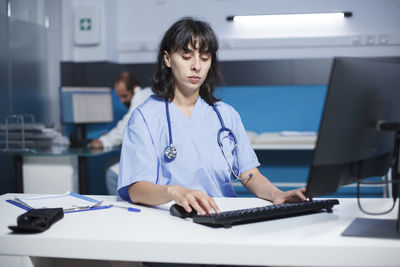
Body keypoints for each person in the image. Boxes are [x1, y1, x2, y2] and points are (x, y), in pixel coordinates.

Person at [118, 17, 307, 216]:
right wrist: (175, 192)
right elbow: (136, 189)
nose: (196, 66)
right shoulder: (145, 117)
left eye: (205, 58)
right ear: (167, 59)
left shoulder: (226, 115)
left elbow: (249, 174)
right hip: (170, 218)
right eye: (186, 56)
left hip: (221, 216)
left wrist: (277, 194)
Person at [90, 72, 152, 195]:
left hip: (150, 157)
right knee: (110, 163)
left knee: (112, 174)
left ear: (135, 88)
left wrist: (103, 141)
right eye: (119, 96)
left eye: (124, 96)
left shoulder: (141, 97)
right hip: (146, 152)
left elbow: (127, 125)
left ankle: (121, 209)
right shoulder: (147, 94)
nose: (122, 100)